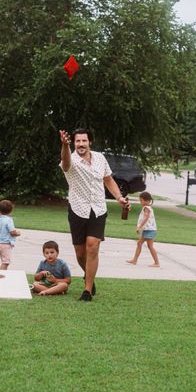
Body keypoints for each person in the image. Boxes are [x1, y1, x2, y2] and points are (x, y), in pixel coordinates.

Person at [59, 128, 129, 301]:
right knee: (81, 254)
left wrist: (119, 197)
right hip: (77, 209)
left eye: (84, 141)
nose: (81, 144)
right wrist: (65, 146)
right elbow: (65, 163)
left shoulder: (100, 158)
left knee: (93, 246)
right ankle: (88, 275)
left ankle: (87, 290)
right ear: (73, 143)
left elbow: (108, 180)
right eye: (77, 141)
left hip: (98, 209)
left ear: (90, 142)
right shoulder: (71, 158)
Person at [127, 191, 160, 267]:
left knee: (150, 246)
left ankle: (157, 263)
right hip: (148, 230)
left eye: (141, 200)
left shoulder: (146, 208)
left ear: (147, 200)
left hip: (150, 230)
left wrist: (139, 227)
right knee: (139, 243)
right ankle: (134, 260)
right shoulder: (148, 207)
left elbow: (145, 218)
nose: (140, 202)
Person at [0, 199, 20, 270]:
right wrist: (18, 233)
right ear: (11, 210)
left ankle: (5, 276)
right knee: (6, 262)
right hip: (6, 244)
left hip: (0, 244)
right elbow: (12, 232)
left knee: (4, 261)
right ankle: (0, 275)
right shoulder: (9, 220)